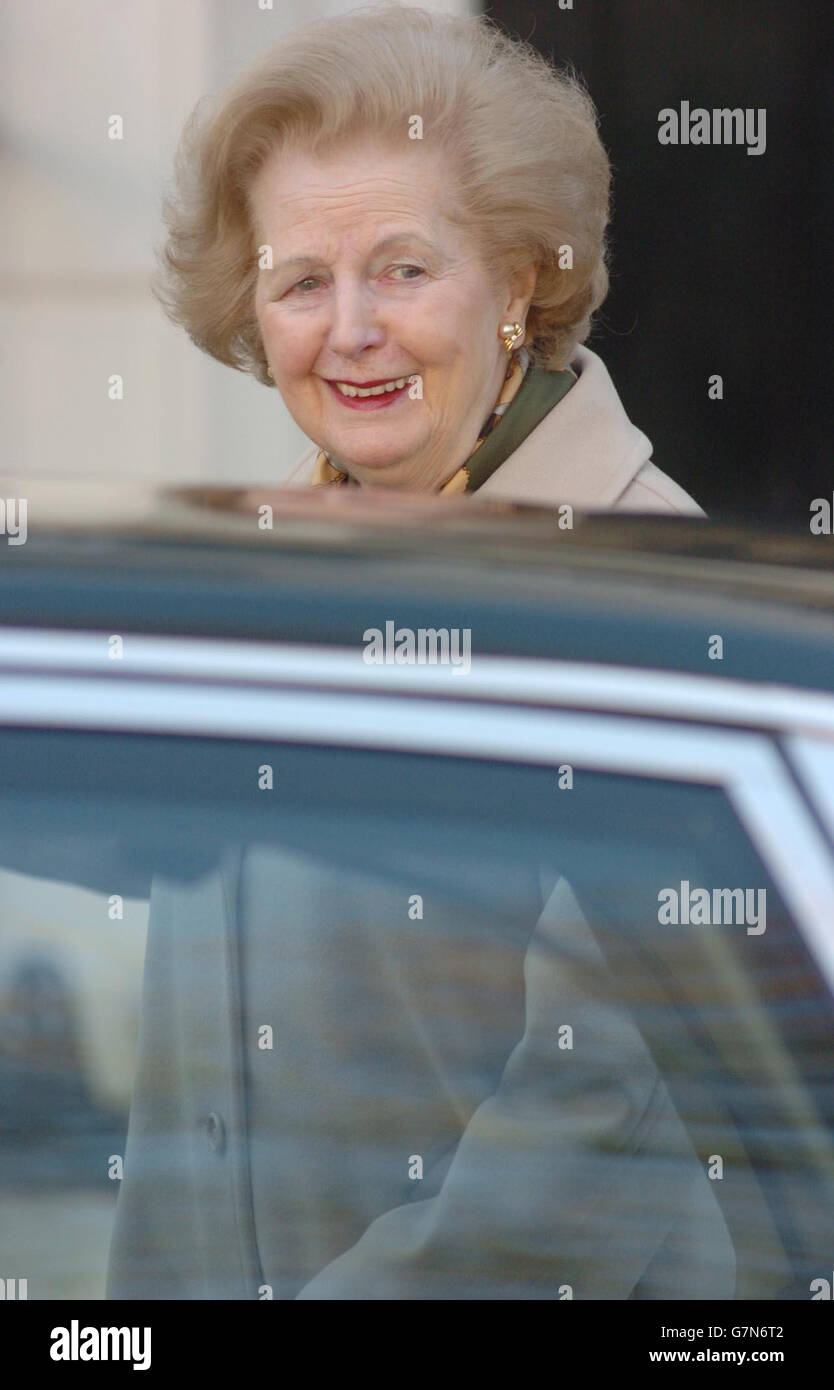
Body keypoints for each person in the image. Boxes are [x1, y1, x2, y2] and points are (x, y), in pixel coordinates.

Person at [157, 3, 704, 515]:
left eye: (405, 271)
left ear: (515, 287)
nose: (351, 335)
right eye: (305, 283)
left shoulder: (650, 568)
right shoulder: (270, 551)